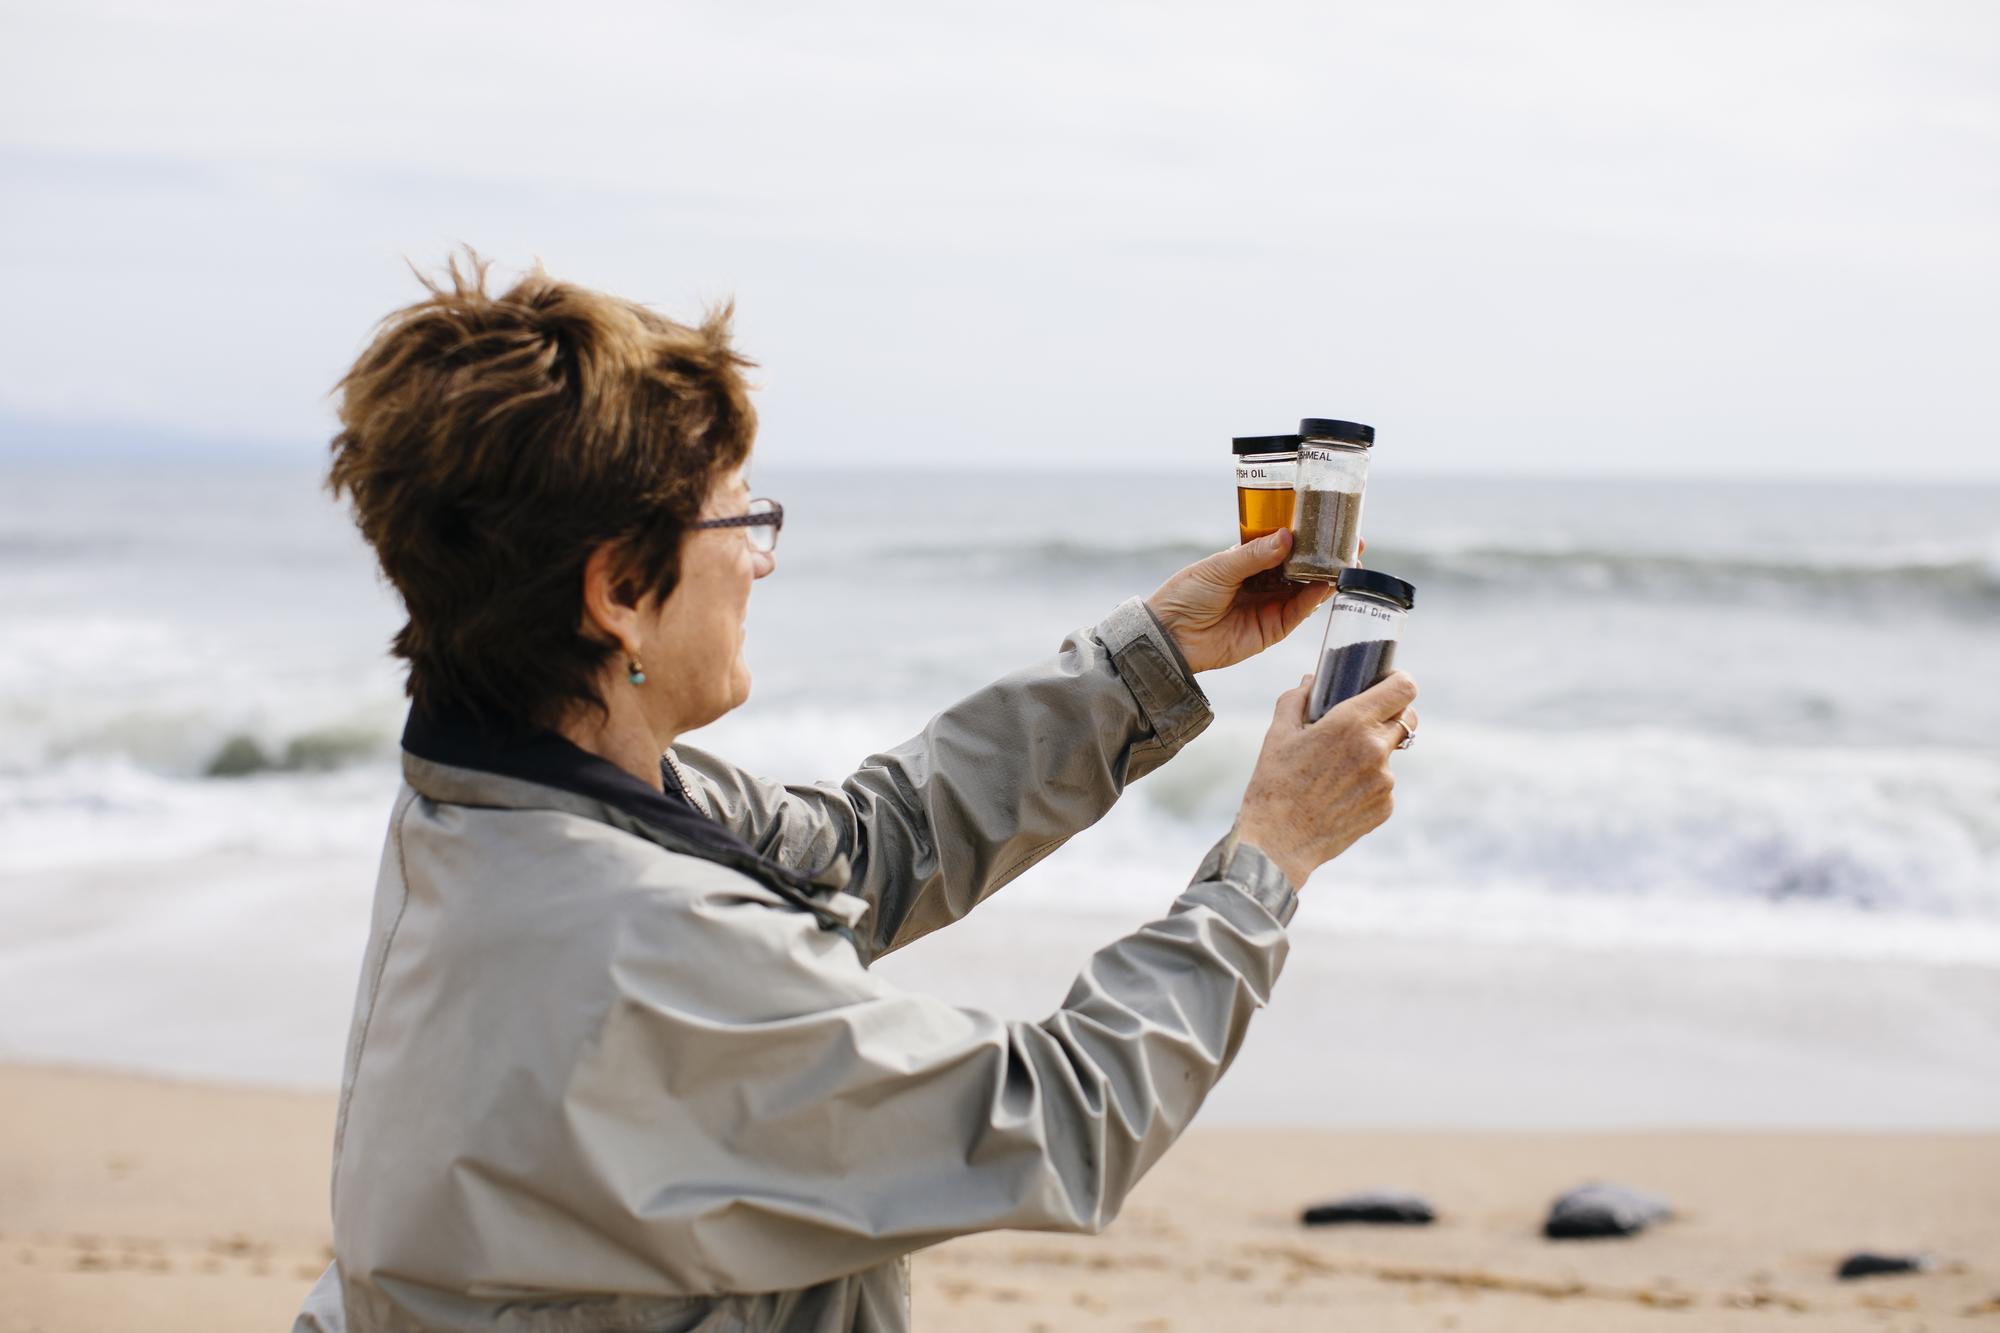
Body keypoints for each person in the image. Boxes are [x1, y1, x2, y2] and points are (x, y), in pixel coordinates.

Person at [293, 255, 1418, 1333]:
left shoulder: (492, 795)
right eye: (739, 519)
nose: (761, 558)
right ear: (620, 591)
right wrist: (1270, 852)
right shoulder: (645, 945)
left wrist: (1149, 662)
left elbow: (867, 847)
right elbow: (1057, 1120)